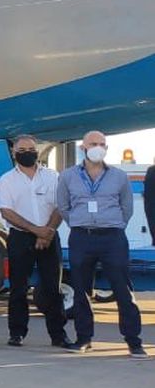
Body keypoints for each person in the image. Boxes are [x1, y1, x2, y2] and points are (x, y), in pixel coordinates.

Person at [55, 130, 144, 355]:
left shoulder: (119, 176)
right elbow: (64, 207)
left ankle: (133, 341)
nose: (98, 147)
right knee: (81, 290)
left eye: (102, 144)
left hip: (112, 237)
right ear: (83, 148)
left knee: (122, 289)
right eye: (93, 143)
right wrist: (80, 223)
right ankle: (84, 338)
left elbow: (127, 208)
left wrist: (112, 225)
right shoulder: (67, 176)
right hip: (81, 237)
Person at [0, 135, 69, 347]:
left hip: (49, 236)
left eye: (31, 148)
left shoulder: (52, 176)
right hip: (20, 237)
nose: (27, 152)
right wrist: (35, 230)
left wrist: (47, 231)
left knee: (52, 288)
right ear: (14, 153)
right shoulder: (7, 180)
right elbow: (6, 212)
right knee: (18, 288)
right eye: (22, 149)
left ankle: (59, 334)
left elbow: (61, 206)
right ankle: (17, 332)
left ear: (37, 151)